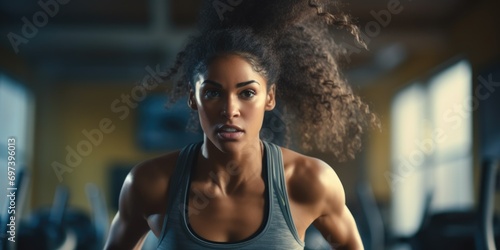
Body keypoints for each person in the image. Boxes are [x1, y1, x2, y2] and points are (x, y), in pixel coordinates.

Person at [105, 1, 378, 249]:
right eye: (212, 93)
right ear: (192, 97)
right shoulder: (149, 184)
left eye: (246, 93)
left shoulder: (309, 181)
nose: (230, 111)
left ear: (270, 97)